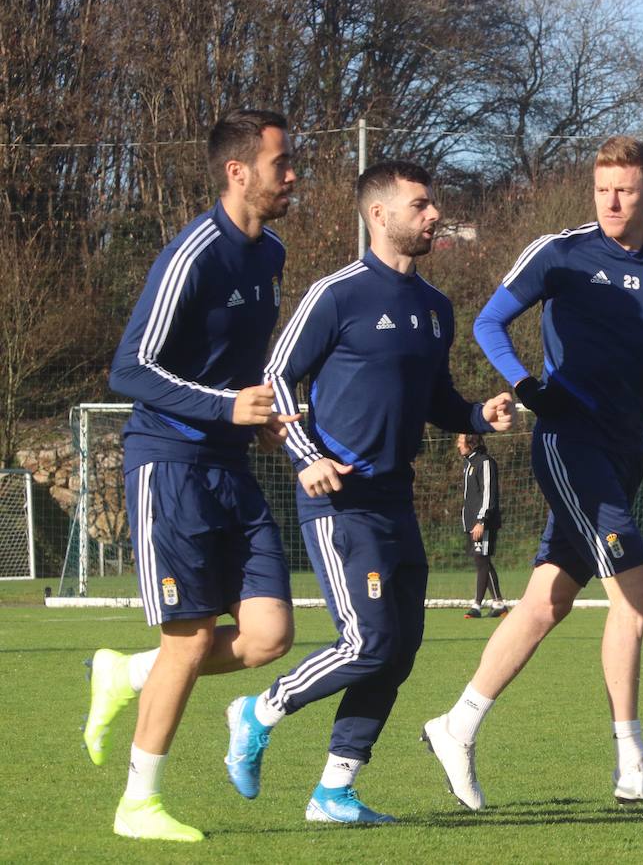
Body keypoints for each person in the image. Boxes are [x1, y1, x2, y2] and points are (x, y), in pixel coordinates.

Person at [420, 136, 643, 808]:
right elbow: (489, 323)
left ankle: (457, 725)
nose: (611, 202)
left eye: (625, 190)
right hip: (570, 443)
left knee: (546, 602)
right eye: (602, 189)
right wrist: (528, 386)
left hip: (626, 451)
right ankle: (632, 761)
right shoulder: (559, 251)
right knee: (640, 588)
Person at [221, 161, 514, 824]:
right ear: (380, 215)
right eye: (421, 204)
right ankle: (256, 711)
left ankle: (335, 790)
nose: (434, 214)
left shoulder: (435, 309)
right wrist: (306, 456)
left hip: (394, 500)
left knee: (399, 648)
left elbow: (437, 398)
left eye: (433, 204)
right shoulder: (337, 294)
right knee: (367, 643)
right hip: (338, 499)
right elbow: (278, 376)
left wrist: (477, 415)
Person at [86, 108, 300, 842]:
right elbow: (128, 369)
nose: (293, 174)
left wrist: (263, 416)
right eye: (281, 164)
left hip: (229, 465)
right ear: (238, 172)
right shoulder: (193, 254)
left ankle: (125, 673)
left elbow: (244, 368)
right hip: (169, 464)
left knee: (270, 633)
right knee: (190, 635)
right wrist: (225, 406)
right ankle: (137, 803)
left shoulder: (270, 253)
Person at [458, 433, 506, 618]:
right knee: (482, 561)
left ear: (471, 443)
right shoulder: (468, 464)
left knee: (482, 561)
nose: (458, 445)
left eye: (461, 441)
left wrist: (481, 521)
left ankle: (477, 605)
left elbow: (489, 495)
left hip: (482, 522)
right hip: (471, 522)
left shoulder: (485, 462)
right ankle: (498, 603)